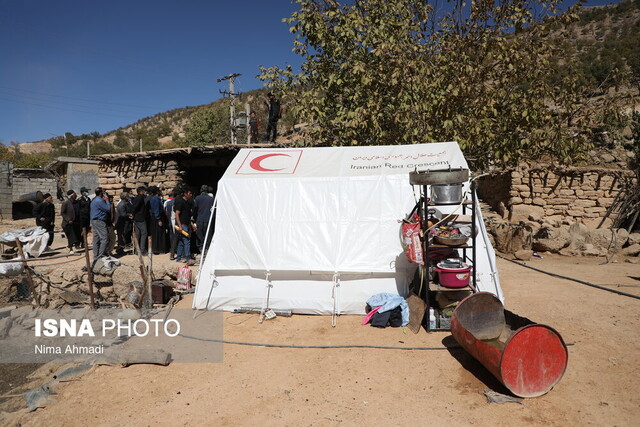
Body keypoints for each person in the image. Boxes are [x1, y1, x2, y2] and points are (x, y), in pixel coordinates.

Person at [174, 187, 196, 265]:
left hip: (186, 223)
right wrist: (180, 226)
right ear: (185, 193)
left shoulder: (187, 202)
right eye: (189, 193)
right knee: (187, 241)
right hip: (182, 224)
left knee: (181, 242)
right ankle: (187, 258)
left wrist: (192, 225)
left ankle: (179, 257)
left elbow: (187, 216)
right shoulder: (180, 202)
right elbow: (177, 214)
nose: (191, 195)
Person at [89, 187, 111, 261]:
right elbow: (108, 209)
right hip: (100, 221)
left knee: (96, 239)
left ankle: (96, 256)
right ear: (101, 193)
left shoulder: (94, 200)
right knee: (104, 238)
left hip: (94, 221)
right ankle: (101, 256)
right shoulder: (100, 201)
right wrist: (107, 201)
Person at [194, 184, 214, 257]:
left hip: (199, 219)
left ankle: (201, 249)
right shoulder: (211, 199)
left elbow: (195, 209)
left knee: (199, 235)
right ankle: (207, 249)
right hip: (208, 219)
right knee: (208, 235)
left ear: (201, 190)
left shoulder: (197, 198)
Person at [131, 186, 148, 255]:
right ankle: (142, 250)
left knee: (138, 234)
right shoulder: (140, 197)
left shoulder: (136, 197)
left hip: (137, 218)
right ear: (141, 191)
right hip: (140, 218)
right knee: (144, 233)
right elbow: (135, 207)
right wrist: (133, 213)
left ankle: (137, 250)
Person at [148, 187, 166, 255]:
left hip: (157, 217)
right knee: (157, 233)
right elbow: (156, 210)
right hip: (157, 218)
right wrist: (159, 219)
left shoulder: (156, 198)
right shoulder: (155, 199)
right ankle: (157, 249)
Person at [164, 189, 178, 260]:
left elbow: (166, 213)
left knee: (172, 236)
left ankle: (172, 251)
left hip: (170, 221)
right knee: (176, 238)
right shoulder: (177, 203)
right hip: (176, 223)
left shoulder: (168, 203)